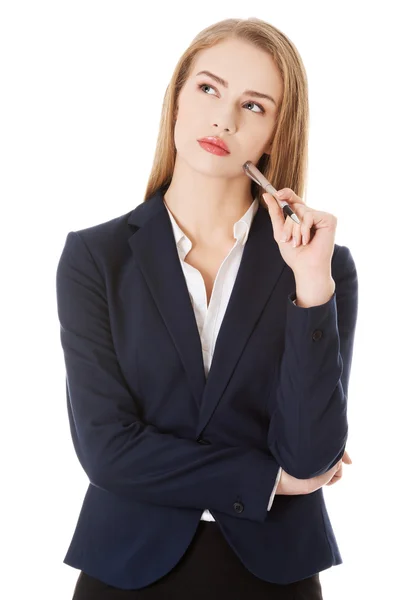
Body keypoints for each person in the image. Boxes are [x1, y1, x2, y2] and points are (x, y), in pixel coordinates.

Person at [56, 16, 358, 599]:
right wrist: (268, 477)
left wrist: (311, 287)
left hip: (275, 576)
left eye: (254, 106)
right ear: (177, 101)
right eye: (208, 89)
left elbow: (313, 455)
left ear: (275, 133)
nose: (223, 118)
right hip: (125, 568)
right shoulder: (96, 257)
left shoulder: (322, 267)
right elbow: (108, 451)